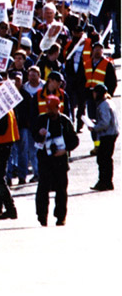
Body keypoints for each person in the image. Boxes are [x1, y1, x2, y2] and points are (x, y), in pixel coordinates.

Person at [32, 95, 79, 226]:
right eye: (47, 108)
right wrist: (39, 134)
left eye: (52, 108)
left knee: (61, 190)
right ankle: (42, 215)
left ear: (58, 108)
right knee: (42, 188)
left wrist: (65, 151)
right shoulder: (41, 120)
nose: (49, 111)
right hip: (45, 160)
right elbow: (34, 138)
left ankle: (60, 216)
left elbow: (74, 141)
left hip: (60, 161)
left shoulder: (64, 122)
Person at [88, 84, 118, 191]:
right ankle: (107, 182)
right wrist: (96, 122)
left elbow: (105, 123)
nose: (93, 94)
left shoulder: (103, 105)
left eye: (95, 92)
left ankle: (104, 182)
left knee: (103, 159)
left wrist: (94, 127)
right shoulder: (107, 102)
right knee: (106, 159)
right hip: (111, 133)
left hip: (107, 135)